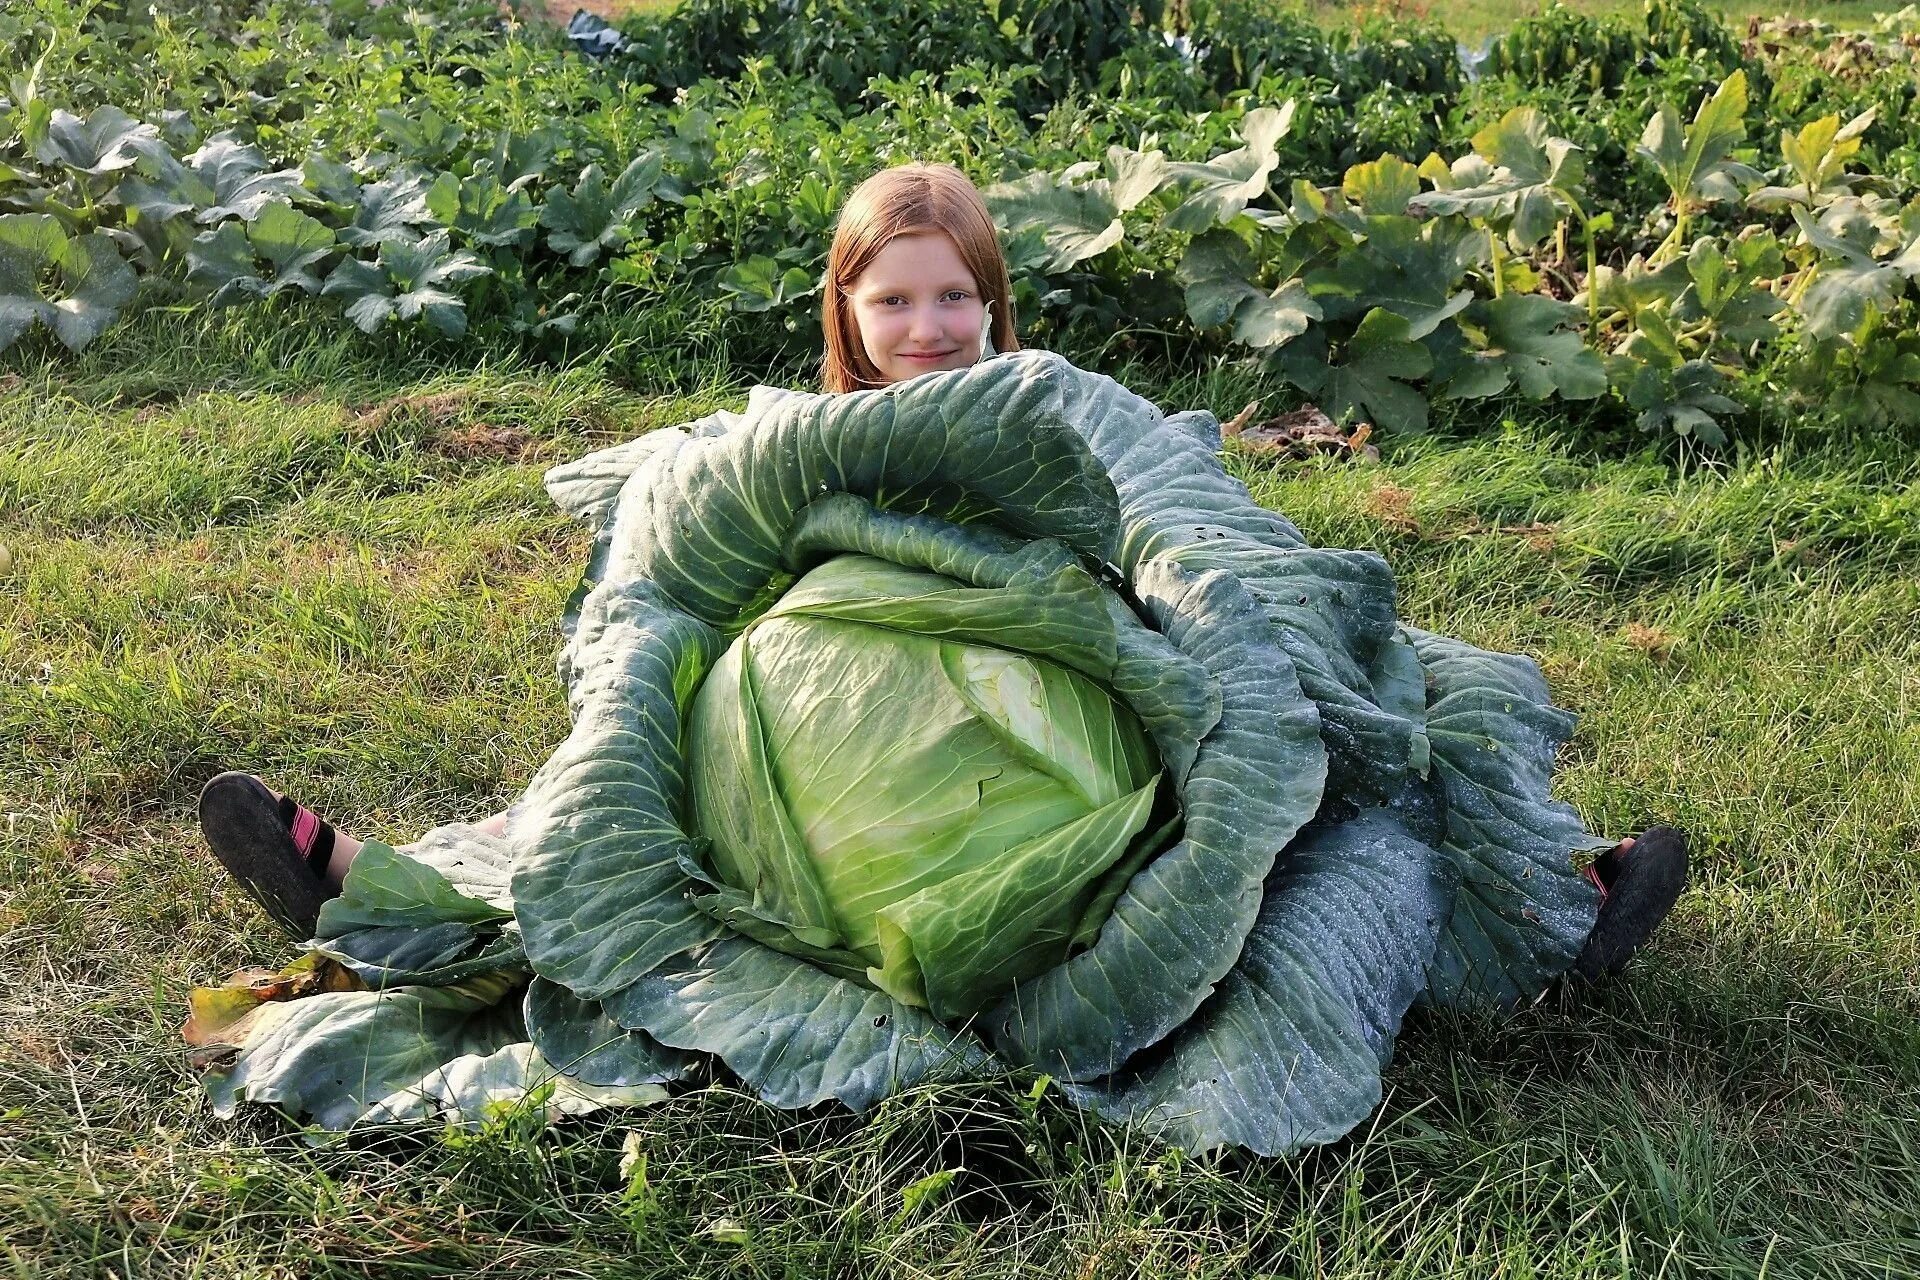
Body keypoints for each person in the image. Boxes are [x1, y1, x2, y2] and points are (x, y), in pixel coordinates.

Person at [199, 161, 1686, 981]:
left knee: (1390, 712)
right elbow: (658, 595)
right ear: (846, 303)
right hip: (780, 772)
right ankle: (372, 889)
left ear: (995, 301)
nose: (930, 327)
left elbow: (1184, 536)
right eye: (896, 297)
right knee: (611, 783)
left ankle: (1552, 901)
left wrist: (1199, 614)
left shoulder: (1058, 403)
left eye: (958, 296)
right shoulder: (784, 442)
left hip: (1123, 695)